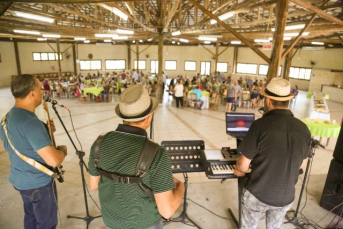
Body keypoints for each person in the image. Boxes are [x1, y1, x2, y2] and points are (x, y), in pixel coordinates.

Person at [88, 85, 185, 229]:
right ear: (149, 117)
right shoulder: (156, 153)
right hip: (145, 224)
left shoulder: (100, 142)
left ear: (122, 117)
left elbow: (94, 185)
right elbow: (167, 211)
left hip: (111, 222)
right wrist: (181, 187)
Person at [234, 78, 311, 229]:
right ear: (288, 101)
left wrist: (238, 170)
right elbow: (302, 164)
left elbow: (243, 165)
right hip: (286, 196)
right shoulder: (303, 128)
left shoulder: (259, 126)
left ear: (268, 101)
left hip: (258, 194)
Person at [0, 74, 67, 229]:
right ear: (32, 93)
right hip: (38, 183)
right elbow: (54, 160)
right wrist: (62, 151)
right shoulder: (31, 122)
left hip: (20, 180)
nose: (42, 91)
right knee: (46, 223)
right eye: (40, 88)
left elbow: (19, 144)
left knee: (30, 217)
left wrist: (43, 132)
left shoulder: (6, 119)